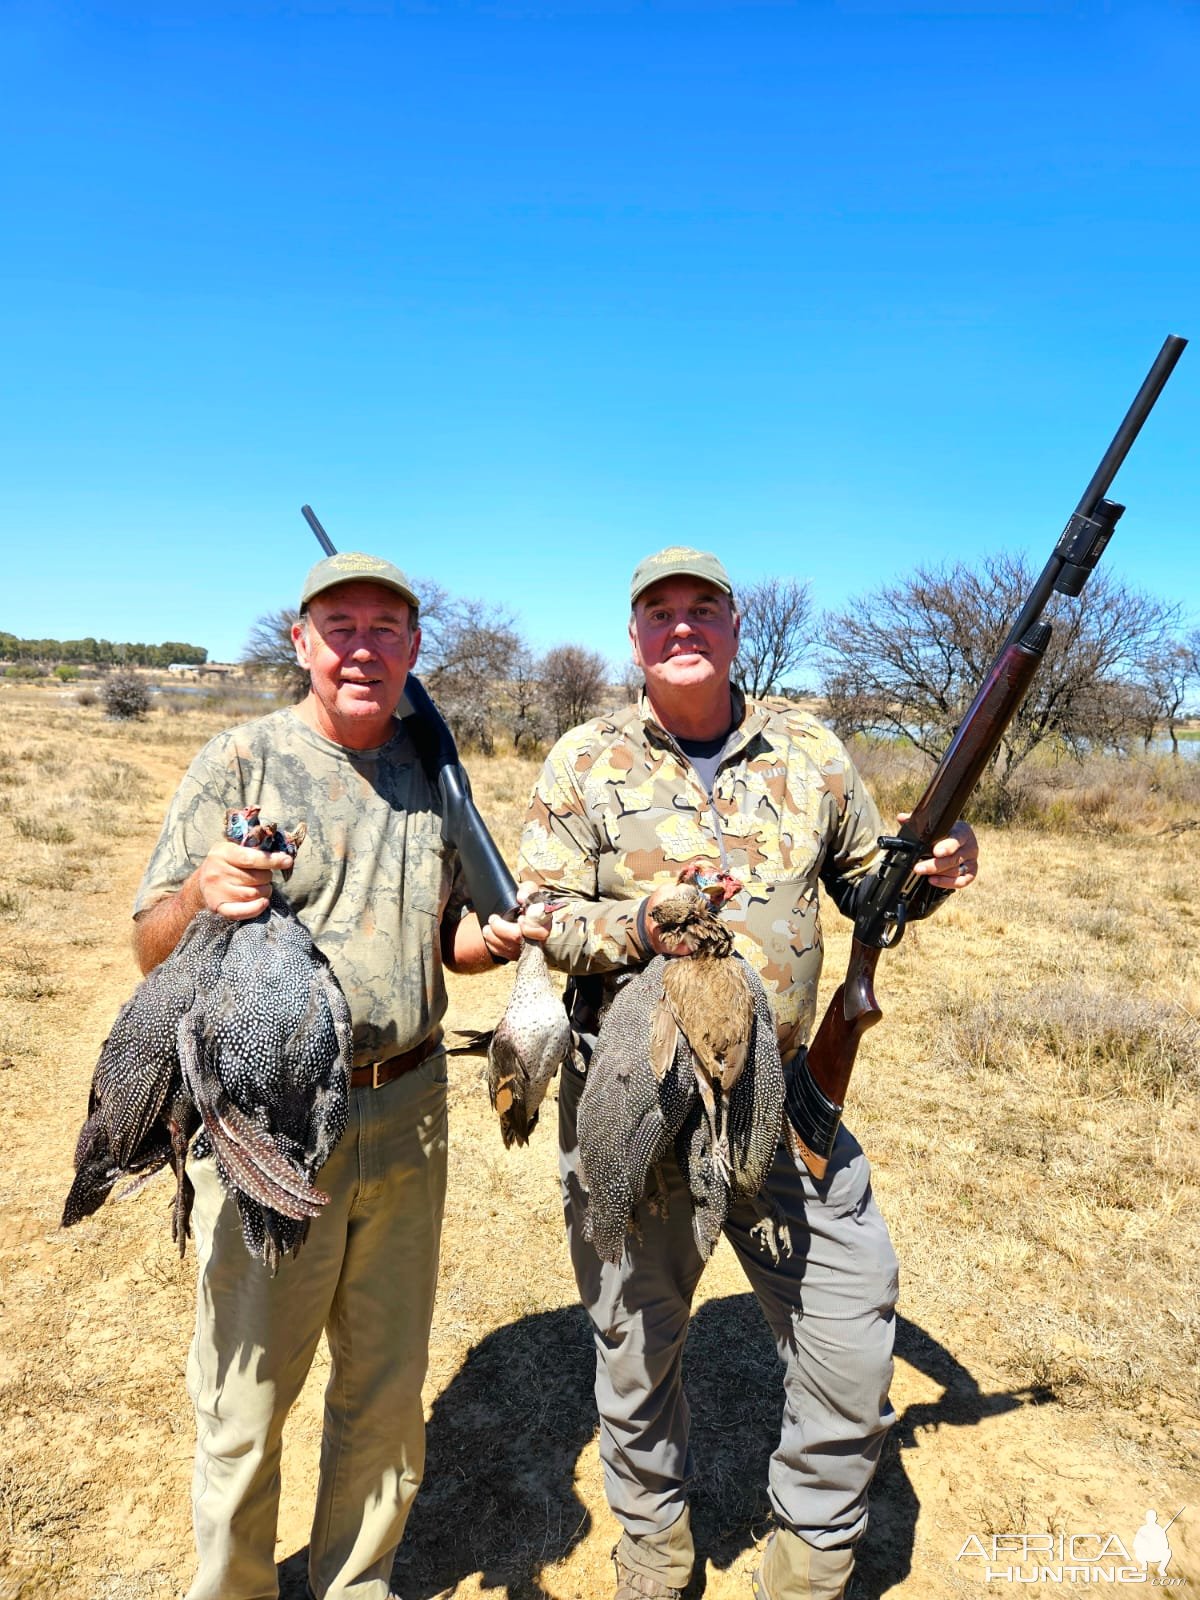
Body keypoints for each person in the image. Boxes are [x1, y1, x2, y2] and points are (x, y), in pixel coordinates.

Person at [516, 546, 980, 1600]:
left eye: (703, 609)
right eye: (660, 613)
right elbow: (545, 923)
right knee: (635, 1350)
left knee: (854, 1322)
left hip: (782, 1102)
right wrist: (639, 923)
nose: (682, 626)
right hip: (637, 1110)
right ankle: (655, 1550)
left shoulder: (809, 751)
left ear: (736, 625)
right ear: (635, 636)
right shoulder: (584, 760)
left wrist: (934, 869)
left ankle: (809, 1555)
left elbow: (874, 896)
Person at [132, 550, 533, 1600]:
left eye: (386, 627)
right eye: (339, 625)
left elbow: (446, 937)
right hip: (268, 1122)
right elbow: (147, 942)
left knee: (387, 1392)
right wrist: (202, 893)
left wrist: (495, 943)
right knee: (246, 1397)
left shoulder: (434, 773)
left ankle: (357, 1585)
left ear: (414, 648)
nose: (362, 645)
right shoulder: (241, 758)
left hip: (409, 1107)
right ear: (301, 642)